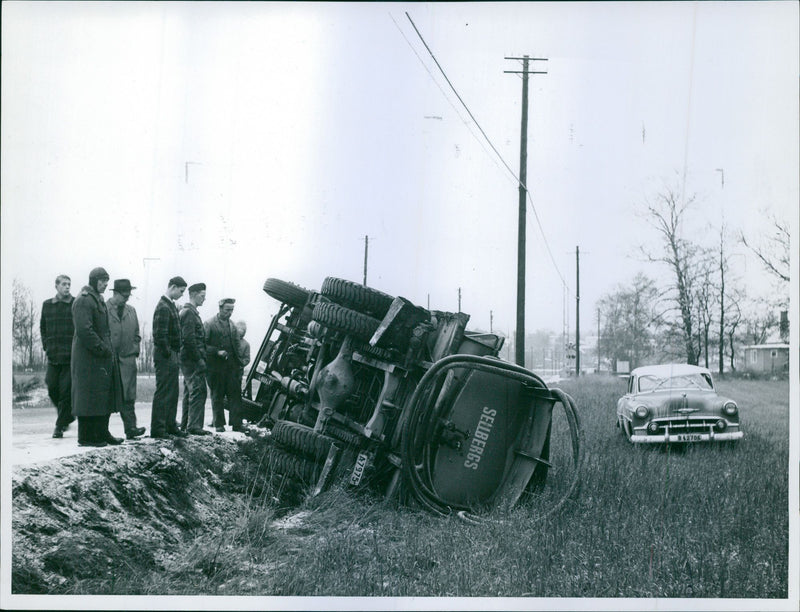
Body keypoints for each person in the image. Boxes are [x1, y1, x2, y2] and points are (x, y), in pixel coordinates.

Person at [71, 267, 124, 447]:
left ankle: (101, 432)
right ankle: (86, 437)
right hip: (89, 357)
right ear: (93, 280)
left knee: (102, 395)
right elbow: (85, 331)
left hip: (100, 356)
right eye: (102, 281)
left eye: (107, 281)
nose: (105, 284)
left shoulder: (98, 299)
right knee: (88, 396)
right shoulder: (84, 300)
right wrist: (102, 349)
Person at [107, 279, 146, 440]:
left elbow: (137, 333)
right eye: (124, 295)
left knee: (129, 395)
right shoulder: (103, 308)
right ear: (115, 294)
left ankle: (131, 428)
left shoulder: (132, 310)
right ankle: (103, 431)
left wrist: (134, 350)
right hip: (109, 360)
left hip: (127, 360)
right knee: (108, 395)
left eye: (128, 295)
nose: (127, 298)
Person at [150, 276, 188, 439]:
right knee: (164, 391)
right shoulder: (164, 306)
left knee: (172, 392)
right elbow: (160, 335)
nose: (181, 295)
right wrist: (169, 353)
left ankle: (170, 425)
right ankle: (158, 428)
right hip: (166, 355)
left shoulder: (170, 305)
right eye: (180, 291)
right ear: (172, 287)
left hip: (172, 354)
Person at [40, 274, 76, 438]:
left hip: (70, 357)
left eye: (69, 284)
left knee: (65, 392)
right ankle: (68, 416)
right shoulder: (47, 305)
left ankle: (60, 426)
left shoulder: (75, 304)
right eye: (64, 284)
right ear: (56, 286)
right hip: (53, 356)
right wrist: (46, 346)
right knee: (52, 386)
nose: (67, 287)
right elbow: (43, 327)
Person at [205, 298, 244, 433]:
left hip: (231, 366)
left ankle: (237, 424)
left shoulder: (232, 326)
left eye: (232, 310)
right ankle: (219, 424)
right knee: (217, 395)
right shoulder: (209, 324)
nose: (230, 313)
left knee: (235, 394)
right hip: (215, 367)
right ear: (220, 308)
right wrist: (216, 351)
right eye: (227, 310)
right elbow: (203, 345)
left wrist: (240, 363)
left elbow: (238, 346)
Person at [180, 283, 211, 436]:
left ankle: (186, 424)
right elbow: (189, 339)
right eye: (202, 296)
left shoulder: (189, 312)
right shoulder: (189, 313)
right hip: (192, 360)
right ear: (194, 294)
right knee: (198, 391)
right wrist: (199, 360)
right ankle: (194, 426)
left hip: (189, 359)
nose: (204, 299)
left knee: (190, 392)